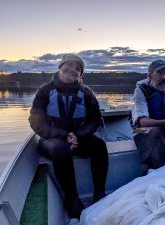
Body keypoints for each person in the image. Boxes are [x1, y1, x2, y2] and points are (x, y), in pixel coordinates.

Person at [29, 54, 108, 219]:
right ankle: (72, 199)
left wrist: (77, 135)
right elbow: (36, 123)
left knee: (99, 145)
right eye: (69, 66)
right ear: (60, 68)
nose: (73, 70)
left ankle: (99, 192)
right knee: (60, 149)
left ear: (80, 75)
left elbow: (95, 120)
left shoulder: (86, 93)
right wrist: (64, 135)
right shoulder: (44, 91)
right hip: (52, 140)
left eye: (78, 69)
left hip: (78, 137)